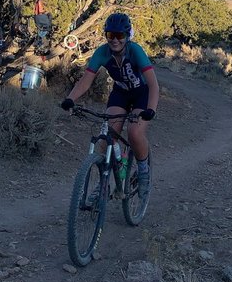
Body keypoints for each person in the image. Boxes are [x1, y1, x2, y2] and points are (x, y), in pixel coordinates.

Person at [60, 12, 159, 198]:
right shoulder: (102, 53)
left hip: (141, 95)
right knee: (107, 137)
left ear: (128, 35)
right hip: (120, 94)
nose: (115, 40)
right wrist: (70, 99)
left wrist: (151, 109)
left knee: (135, 133)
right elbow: (86, 80)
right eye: (110, 35)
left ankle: (144, 172)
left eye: (120, 35)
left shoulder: (135, 51)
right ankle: (104, 183)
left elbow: (153, 84)